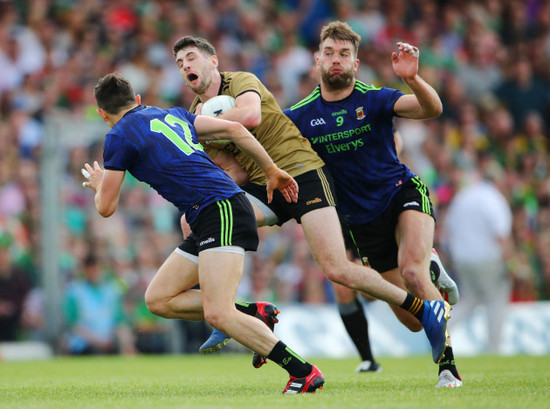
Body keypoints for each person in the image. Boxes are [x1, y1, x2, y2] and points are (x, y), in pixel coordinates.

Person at [172, 35, 450, 368]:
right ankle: (226, 312)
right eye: (180, 63)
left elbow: (249, 116)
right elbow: (233, 170)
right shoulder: (194, 114)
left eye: (191, 57)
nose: (186, 65)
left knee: (338, 271)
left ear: (213, 61)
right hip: (267, 184)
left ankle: (422, 309)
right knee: (196, 217)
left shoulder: (240, 82)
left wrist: (195, 128)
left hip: (301, 173)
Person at [83, 72, 324, 394]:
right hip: (212, 212)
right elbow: (236, 128)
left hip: (220, 208)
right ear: (137, 99)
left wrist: (100, 185)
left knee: (218, 312)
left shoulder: (118, 136)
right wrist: (270, 169)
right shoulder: (171, 113)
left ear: (102, 114)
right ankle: (255, 312)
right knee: (159, 300)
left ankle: (303, 372)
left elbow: (106, 207)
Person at [283, 21, 462, 387]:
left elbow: (432, 108)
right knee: (413, 321)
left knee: (410, 271)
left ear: (356, 64)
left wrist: (412, 78)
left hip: (401, 194)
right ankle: (430, 268)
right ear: (317, 60)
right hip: (360, 223)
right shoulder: (298, 116)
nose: (336, 60)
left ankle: (448, 368)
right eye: (329, 53)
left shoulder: (375, 98)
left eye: (344, 54)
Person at [444, 155, 515, 354]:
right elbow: (501, 236)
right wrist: (512, 263)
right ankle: (494, 349)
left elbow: (448, 231)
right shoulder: (494, 198)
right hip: (487, 260)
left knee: (471, 300)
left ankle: (442, 332)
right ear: (497, 180)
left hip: (462, 260)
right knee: (496, 300)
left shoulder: (464, 196)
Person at [61, 252, 136, 355]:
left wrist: (127, 343)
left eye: (96, 268)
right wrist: (99, 341)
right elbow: (74, 325)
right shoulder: (75, 292)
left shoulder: (111, 290)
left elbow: (119, 321)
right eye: (90, 268)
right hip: (85, 344)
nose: (93, 272)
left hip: (109, 342)